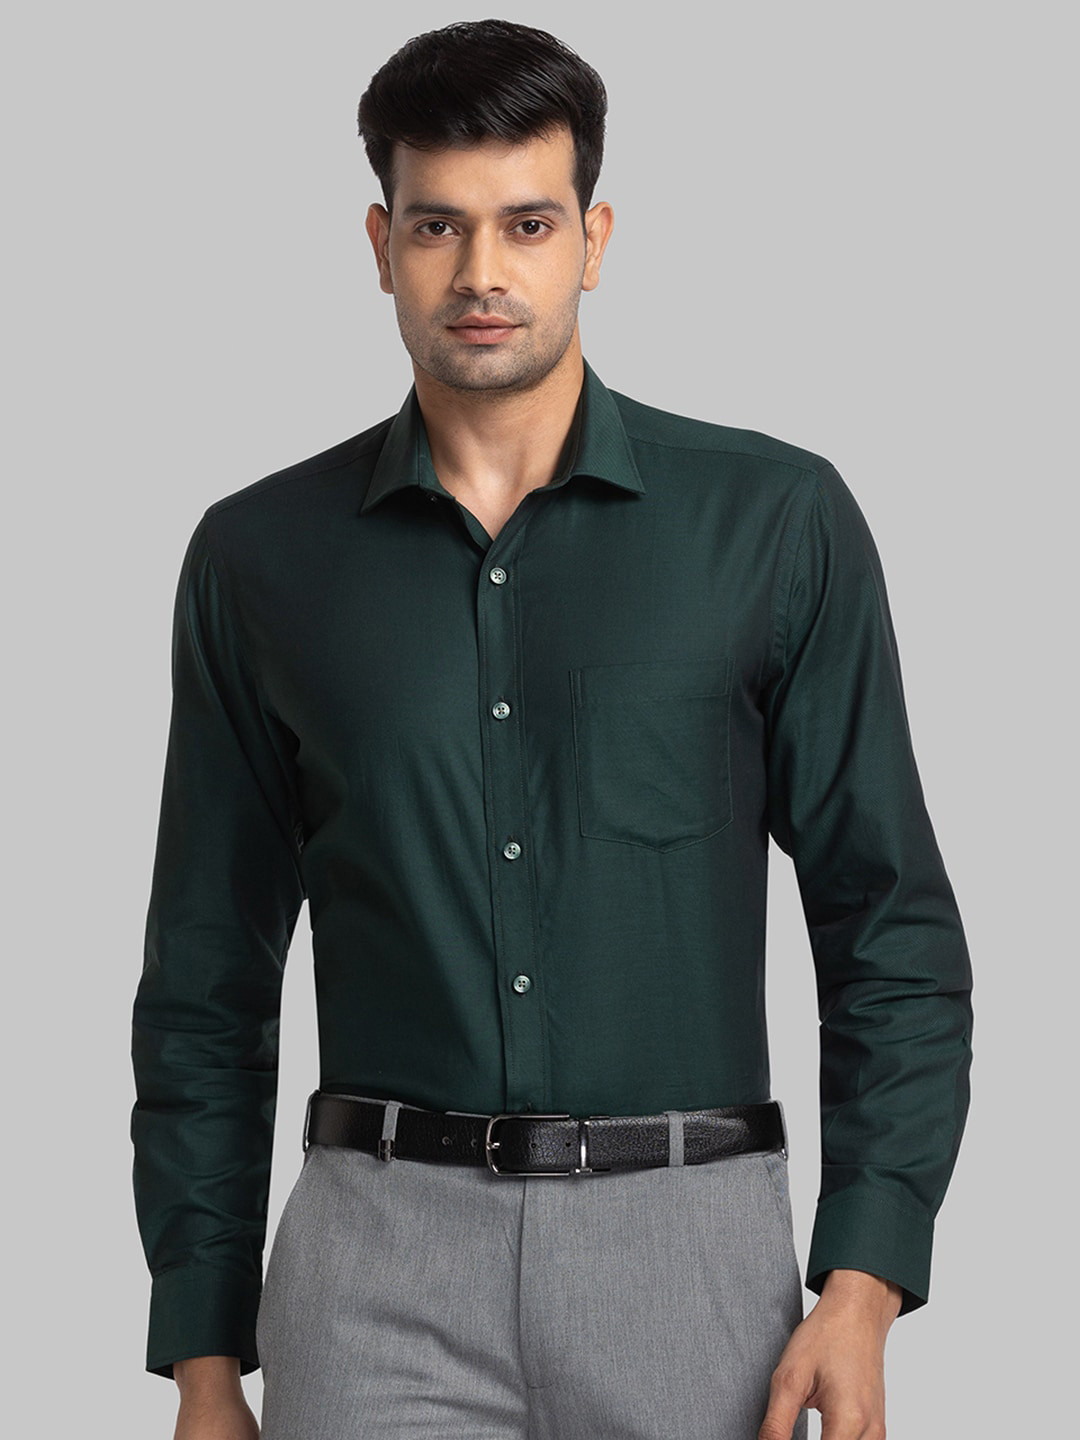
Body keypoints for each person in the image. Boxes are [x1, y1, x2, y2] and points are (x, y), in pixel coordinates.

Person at [130, 17, 974, 1440]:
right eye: (437, 226)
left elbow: (887, 922)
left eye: (527, 223)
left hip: (691, 1254)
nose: (482, 272)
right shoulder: (258, 557)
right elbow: (205, 977)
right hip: (374, 1268)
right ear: (380, 243)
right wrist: (204, 1354)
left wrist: (864, 1281)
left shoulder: (774, 524)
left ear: (593, 239)